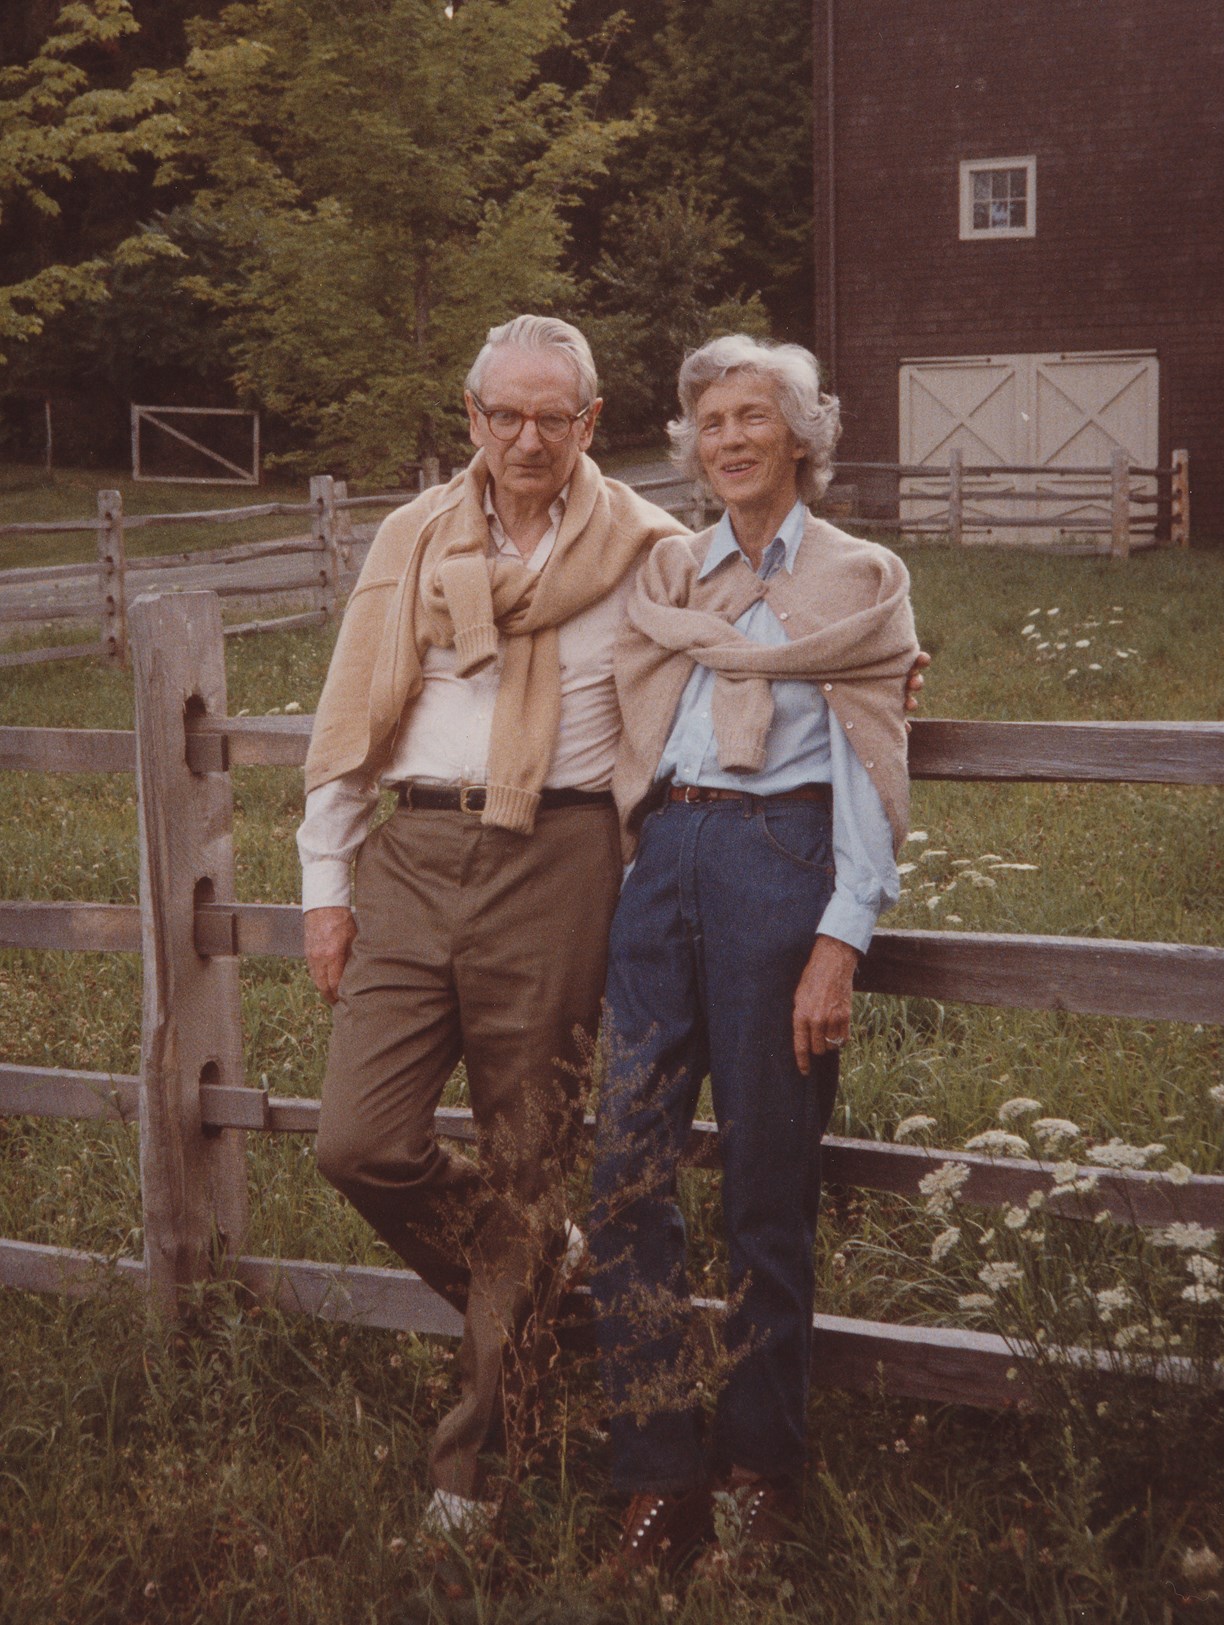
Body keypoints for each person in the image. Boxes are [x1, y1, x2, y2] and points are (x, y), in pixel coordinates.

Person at [297, 314, 687, 1535]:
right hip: (410, 852)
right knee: (357, 1138)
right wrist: (325, 884)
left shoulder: (647, 547)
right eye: (503, 414)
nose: (527, 437)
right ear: (470, 418)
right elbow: (353, 703)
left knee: (528, 1155)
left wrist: (872, 656)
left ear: (590, 424)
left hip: (561, 856)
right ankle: (543, 1271)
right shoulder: (413, 535)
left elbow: (742, 647)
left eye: (551, 417)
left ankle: (474, 1468)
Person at [590, 334, 921, 1576]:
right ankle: (656, 1477)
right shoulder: (673, 569)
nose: (726, 439)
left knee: (765, 1192)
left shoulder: (858, 574)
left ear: (799, 435)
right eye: (708, 422)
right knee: (622, 1179)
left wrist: (839, 936)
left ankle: (758, 1473)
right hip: (660, 864)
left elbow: (870, 763)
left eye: (751, 417)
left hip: (779, 869)